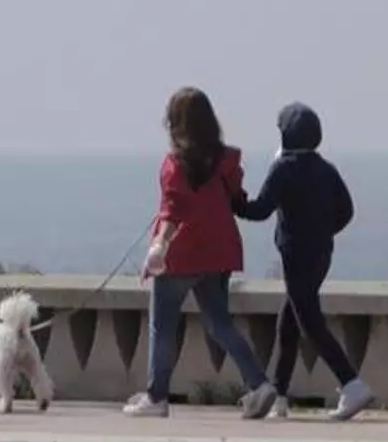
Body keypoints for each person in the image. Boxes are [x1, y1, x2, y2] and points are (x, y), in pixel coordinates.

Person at [123, 87, 278, 420]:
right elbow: (236, 198)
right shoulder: (226, 161)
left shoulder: (174, 165)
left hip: (181, 255)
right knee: (220, 323)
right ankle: (259, 383)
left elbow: (172, 211)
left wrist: (159, 246)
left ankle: (157, 395)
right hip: (219, 251)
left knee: (163, 326)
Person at [234, 102, 374, 421]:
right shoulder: (326, 169)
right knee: (290, 321)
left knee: (310, 322)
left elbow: (260, 210)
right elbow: (346, 211)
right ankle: (279, 395)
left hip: (295, 254)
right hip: (322, 253)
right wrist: (323, 231)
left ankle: (352, 384)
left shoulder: (283, 168)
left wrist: (233, 200)